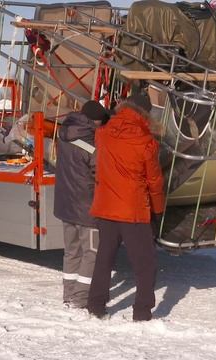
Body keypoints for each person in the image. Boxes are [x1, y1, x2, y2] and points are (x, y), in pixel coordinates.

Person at [87, 93, 165, 321]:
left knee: (104, 258)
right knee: (145, 264)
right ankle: (141, 311)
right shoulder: (147, 141)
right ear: (146, 113)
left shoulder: (103, 134)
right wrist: (158, 211)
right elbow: (155, 181)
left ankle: (96, 305)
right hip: (133, 211)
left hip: (105, 207)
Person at [54, 100, 110, 309]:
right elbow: (101, 174)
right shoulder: (90, 145)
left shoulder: (65, 135)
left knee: (72, 251)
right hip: (86, 208)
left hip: (66, 205)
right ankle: (81, 298)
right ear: (95, 121)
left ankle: (68, 294)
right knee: (92, 253)